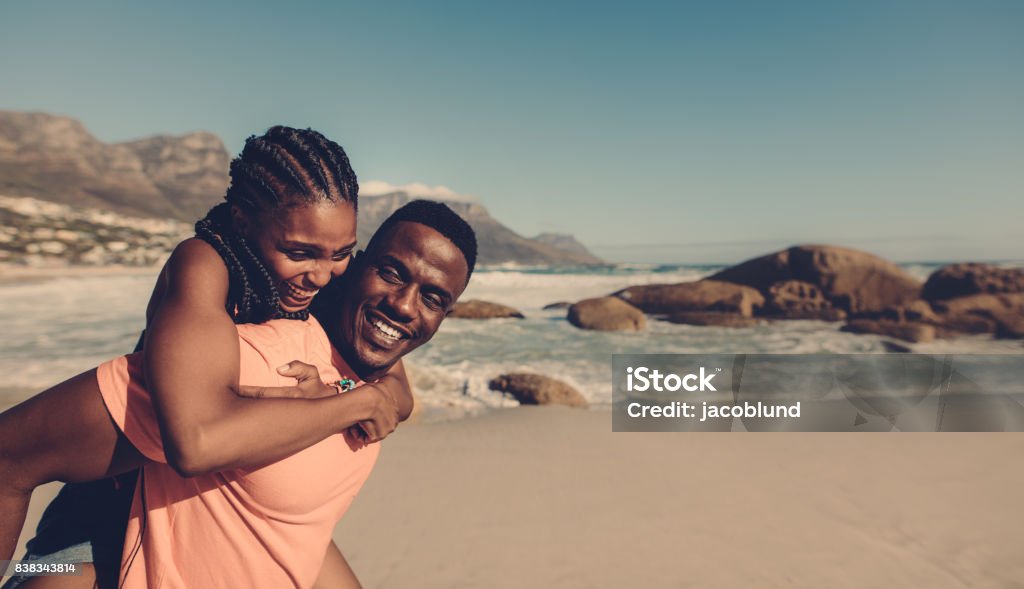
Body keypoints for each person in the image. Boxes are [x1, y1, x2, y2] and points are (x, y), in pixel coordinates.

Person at [0, 126, 414, 588]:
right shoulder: (203, 265)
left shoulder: (321, 276)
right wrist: (351, 403)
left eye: (342, 253)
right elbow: (196, 441)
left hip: (227, 513)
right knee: (40, 574)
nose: (321, 275)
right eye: (300, 252)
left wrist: (343, 390)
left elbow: (396, 389)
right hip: (101, 518)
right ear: (242, 222)